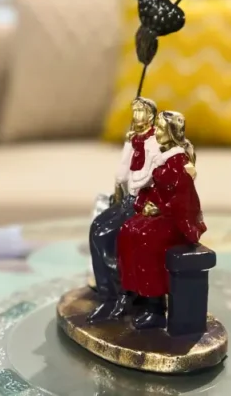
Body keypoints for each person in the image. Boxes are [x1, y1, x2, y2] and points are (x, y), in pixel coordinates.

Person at [115, 111, 206, 330]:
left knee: (146, 238)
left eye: (162, 128)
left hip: (174, 221)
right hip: (160, 213)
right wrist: (144, 204)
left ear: (172, 132)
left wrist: (160, 208)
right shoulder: (162, 157)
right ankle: (137, 292)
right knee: (128, 229)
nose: (157, 131)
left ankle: (155, 306)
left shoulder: (179, 162)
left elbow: (183, 200)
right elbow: (153, 189)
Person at [87, 97, 162, 323]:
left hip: (144, 203)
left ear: (150, 116)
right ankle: (107, 297)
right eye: (134, 111)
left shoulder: (154, 144)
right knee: (97, 228)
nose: (136, 115)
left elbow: (144, 179)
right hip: (128, 200)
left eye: (140, 111)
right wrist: (129, 145)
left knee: (110, 236)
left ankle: (122, 295)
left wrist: (136, 148)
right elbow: (120, 176)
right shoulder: (135, 141)